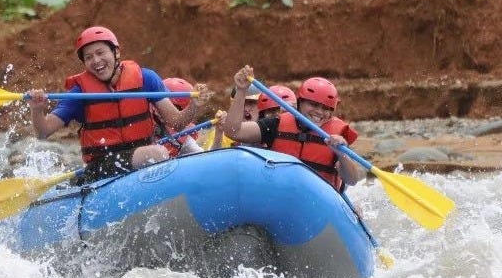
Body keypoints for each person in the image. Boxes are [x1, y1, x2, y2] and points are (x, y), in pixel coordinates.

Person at [27, 26, 211, 184]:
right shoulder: (79, 93)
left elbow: (177, 122)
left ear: (116, 53)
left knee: (156, 153)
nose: (96, 60)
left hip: (141, 157)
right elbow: (43, 132)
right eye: (89, 57)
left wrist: (194, 105)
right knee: (157, 153)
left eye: (100, 52)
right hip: (102, 166)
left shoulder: (146, 78)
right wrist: (37, 109)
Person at [219, 65, 365, 191]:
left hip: (316, 202)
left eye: (326, 108)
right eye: (313, 105)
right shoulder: (275, 125)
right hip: (277, 193)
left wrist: (341, 154)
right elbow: (234, 131)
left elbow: (352, 180)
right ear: (300, 103)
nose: (319, 112)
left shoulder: (336, 138)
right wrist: (241, 91)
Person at [154, 77, 205, 157]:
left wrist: (218, 134)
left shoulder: (183, 137)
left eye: (174, 108)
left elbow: (204, 158)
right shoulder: (144, 117)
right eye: (159, 105)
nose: (162, 111)